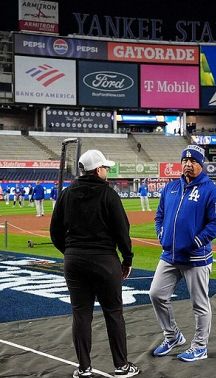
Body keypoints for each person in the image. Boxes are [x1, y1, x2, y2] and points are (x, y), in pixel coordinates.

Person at [50, 149, 140, 378]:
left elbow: (55, 232)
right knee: (113, 313)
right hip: (104, 261)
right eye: (105, 168)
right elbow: (123, 232)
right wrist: (127, 259)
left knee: (81, 314)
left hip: (74, 261)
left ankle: (84, 368)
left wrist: (70, 252)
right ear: (97, 169)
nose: (107, 172)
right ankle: (121, 366)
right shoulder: (109, 195)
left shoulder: (66, 193)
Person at [149, 145, 216, 362]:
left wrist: (197, 241)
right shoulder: (171, 187)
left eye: (193, 161)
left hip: (196, 257)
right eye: (184, 160)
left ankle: (200, 346)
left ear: (201, 164)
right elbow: (159, 215)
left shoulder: (211, 190)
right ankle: (172, 336)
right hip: (170, 255)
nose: (188, 164)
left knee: (199, 304)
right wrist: (161, 234)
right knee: (156, 294)